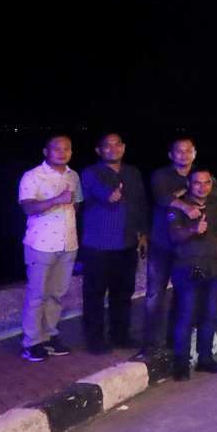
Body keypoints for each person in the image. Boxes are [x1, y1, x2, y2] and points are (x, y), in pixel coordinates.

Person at [141, 137, 217, 361]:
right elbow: (161, 197)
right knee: (155, 295)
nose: (184, 155)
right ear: (171, 154)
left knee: (183, 298)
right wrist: (185, 203)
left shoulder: (201, 175)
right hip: (162, 243)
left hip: (189, 250)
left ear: (195, 153)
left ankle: (173, 341)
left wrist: (179, 194)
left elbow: (216, 193)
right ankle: (150, 344)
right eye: (179, 151)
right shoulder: (161, 175)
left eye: (188, 151)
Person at [79, 133, 148, 354]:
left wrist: (143, 234)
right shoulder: (90, 173)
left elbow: (140, 205)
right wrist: (110, 195)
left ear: (123, 147)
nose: (113, 148)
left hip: (127, 243)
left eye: (117, 144)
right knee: (95, 295)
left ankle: (120, 335)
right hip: (98, 245)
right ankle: (95, 340)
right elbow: (103, 195)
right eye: (107, 146)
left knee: (123, 293)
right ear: (99, 150)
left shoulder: (133, 172)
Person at [18, 134, 84, 362]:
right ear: (46, 152)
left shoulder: (73, 176)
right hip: (41, 244)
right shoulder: (33, 176)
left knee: (57, 294)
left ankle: (49, 335)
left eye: (67, 148)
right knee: (37, 294)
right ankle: (31, 342)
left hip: (68, 243)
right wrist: (56, 200)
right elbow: (28, 208)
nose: (62, 152)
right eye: (57, 148)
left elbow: (76, 205)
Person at [167, 169, 217, 380]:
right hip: (188, 268)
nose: (202, 187)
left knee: (210, 316)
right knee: (185, 316)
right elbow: (174, 236)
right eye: (197, 183)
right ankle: (181, 364)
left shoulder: (215, 206)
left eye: (206, 182)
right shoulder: (179, 206)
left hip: (213, 268)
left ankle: (205, 359)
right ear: (189, 184)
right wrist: (193, 230)